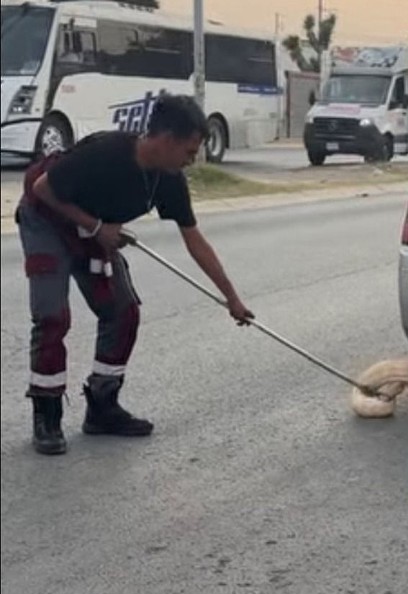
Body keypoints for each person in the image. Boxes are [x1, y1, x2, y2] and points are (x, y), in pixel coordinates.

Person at [16, 93, 255, 455]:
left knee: (123, 311)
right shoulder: (106, 153)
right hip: (47, 219)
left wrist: (232, 299)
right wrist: (97, 226)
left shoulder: (169, 179)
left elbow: (195, 241)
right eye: (190, 152)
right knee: (52, 316)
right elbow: (42, 188)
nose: (192, 161)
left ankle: (102, 407)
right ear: (167, 139)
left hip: (94, 228)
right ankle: (46, 415)